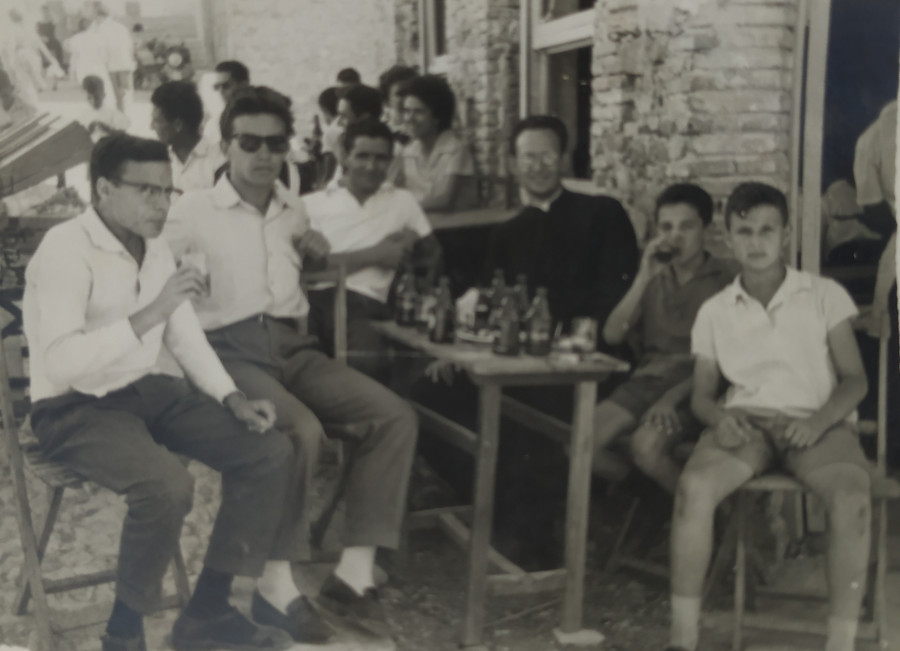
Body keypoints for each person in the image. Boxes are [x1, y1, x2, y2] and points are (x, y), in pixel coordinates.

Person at [23, 133, 333, 651]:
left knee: (268, 450)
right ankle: (123, 634)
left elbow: (185, 336)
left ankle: (208, 611)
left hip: (145, 390)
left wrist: (230, 397)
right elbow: (62, 362)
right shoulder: (64, 248)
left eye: (167, 191)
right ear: (103, 189)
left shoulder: (153, 247)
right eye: (146, 191)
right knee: (167, 487)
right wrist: (152, 313)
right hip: (72, 407)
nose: (161, 204)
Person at [164, 86, 418, 639]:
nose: (264, 155)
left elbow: (300, 264)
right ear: (226, 146)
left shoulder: (292, 207)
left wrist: (316, 253)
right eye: (249, 142)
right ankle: (274, 586)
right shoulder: (191, 211)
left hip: (293, 345)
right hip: (228, 348)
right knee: (300, 431)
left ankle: (353, 577)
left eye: (275, 144)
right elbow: (149, 276)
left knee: (394, 416)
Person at [667, 182, 871, 651]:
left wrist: (818, 422)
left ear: (786, 235)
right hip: (746, 424)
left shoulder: (823, 295)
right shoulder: (715, 310)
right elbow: (702, 396)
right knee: (693, 490)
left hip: (815, 424)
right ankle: (682, 638)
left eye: (766, 230)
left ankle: (840, 644)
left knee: (852, 499)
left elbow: (855, 380)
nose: (755, 242)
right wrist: (718, 419)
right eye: (744, 232)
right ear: (728, 238)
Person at [594, 184, 736, 493]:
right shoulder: (654, 276)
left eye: (687, 227)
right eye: (666, 227)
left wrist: (670, 400)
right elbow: (612, 334)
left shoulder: (726, 281)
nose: (675, 236)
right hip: (646, 382)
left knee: (646, 447)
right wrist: (644, 276)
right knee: (580, 445)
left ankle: (701, 515)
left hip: (694, 389)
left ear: (706, 230)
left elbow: (729, 361)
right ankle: (652, 502)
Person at [304, 118, 441, 377]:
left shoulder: (402, 201)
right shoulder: (312, 204)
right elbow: (308, 267)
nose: (371, 166)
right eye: (362, 156)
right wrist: (377, 254)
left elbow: (432, 256)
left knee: (366, 364)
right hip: (312, 301)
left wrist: (409, 254)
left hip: (365, 305)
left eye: (381, 158)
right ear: (345, 156)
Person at [483, 115, 639, 339]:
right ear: (513, 165)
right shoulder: (505, 234)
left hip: (593, 347)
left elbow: (619, 291)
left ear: (565, 160)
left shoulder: (603, 213)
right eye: (529, 157)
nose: (538, 167)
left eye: (548, 156)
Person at [394, 75, 478, 212]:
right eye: (407, 111)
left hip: (457, 223)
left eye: (418, 112)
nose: (409, 118)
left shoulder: (456, 149)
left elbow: (444, 200)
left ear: (437, 116)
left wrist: (403, 208)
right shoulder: (408, 151)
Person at [150, 81, 224, 193]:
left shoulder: (218, 161)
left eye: (157, 121)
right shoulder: (160, 160)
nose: (151, 126)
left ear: (178, 125)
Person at [92, 2, 135, 112]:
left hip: (112, 64)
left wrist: (101, 62)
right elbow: (130, 45)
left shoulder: (101, 28)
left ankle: (121, 111)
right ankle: (124, 111)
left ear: (99, 16)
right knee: (125, 91)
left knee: (117, 93)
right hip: (125, 62)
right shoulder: (121, 27)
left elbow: (101, 47)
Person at [78, 75, 129, 142]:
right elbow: (79, 138)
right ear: (84, 96)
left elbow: (123, 134)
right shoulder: (83, 115)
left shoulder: (113, 114)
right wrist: (88, 131)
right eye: (89, 97)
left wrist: (107, 129)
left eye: (97, 97)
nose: (93, 101)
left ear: (104, 95)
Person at [66, 17, 112, 93]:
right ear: (90, 26)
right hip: (98, 68)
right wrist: (106, 66)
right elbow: (104, 54)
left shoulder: (75, 38)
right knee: (100, 89)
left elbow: (74, 56)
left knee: (88, 90)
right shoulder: (98, 37)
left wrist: (72, 72)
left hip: (83, 68)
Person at [377, 64, 417, 136]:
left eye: (413, 91)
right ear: (387, 101)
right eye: (402, 93)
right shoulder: (381, 134)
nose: (409, 97)